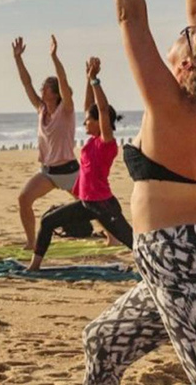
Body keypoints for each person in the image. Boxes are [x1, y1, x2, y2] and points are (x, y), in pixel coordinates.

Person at [62, 0, 196, 385]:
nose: (183, 31)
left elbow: (131, 16)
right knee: (103, 339)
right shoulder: (189, 94)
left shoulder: (171, 105)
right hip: (170, 267)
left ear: (184, 64)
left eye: (184, 39)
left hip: (182, 267)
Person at [28, 57, 133, 271]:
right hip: (87, 203)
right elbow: (90, 107)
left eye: (88, 120)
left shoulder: (106, 143)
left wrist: (95, 81)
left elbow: (101, 109)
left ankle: (156, 267)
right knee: (48, 221)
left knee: (133, 242)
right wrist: (87, 80)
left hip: (103, 205)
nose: (84, 122)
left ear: (99, 123)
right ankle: (34, 266)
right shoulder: (92, 140)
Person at [13, 35, 79, 250]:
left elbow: (64, 82)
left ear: (56, 92)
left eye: (46, 88)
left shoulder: (66, 110)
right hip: (48, 173)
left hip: (69, 172)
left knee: (97, 205)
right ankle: (32, 242)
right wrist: (18, 59)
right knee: (24, 199)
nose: (42, 91)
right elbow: (26, 84)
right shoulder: (41, 110)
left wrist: (54, 57)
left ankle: (113, 237)